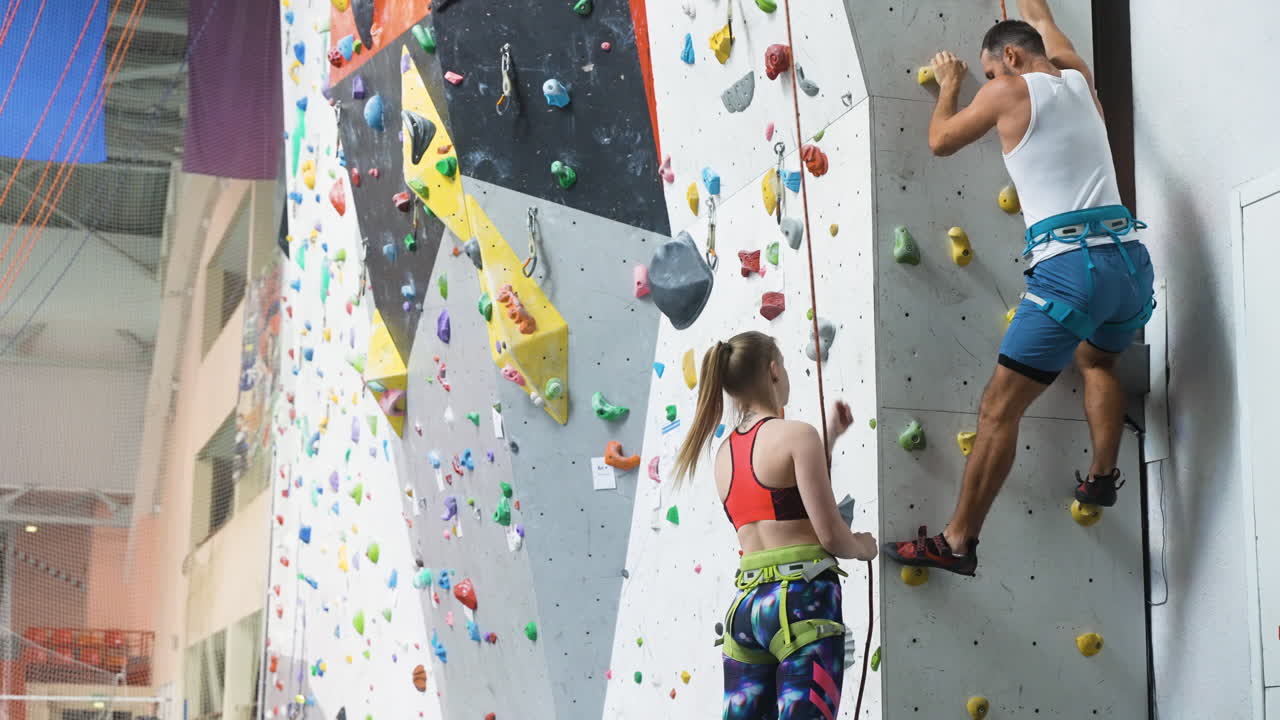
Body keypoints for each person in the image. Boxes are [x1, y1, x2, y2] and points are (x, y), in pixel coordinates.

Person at [882, 0, 1156, 576]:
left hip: (1069, 272)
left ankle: (958, 541)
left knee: (998, 410)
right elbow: (1041, 15)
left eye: (989, 70)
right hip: (1129, 264)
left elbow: (940, 141)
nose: (989, 82)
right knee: (1097, 363)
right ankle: (1102, 478)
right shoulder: (1079, 77)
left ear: (1008, 57)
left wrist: (951, 87)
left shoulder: (1007, 91)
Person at [673, 331, 878, 720]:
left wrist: (828, 441)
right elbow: (831, 536)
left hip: (748, 612)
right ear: (773, 370)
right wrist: (863, 546)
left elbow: (779, 503)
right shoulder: (797, 435)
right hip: (802, 602)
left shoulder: (723, 455)